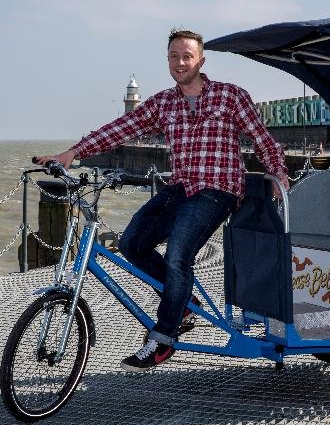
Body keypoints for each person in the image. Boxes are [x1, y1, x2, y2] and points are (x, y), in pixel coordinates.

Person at [35, 29, 289, 372]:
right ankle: (183, 303)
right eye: (173, 56)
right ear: (167, 60)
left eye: (187, 56)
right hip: (181, 187)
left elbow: (264, 139)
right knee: (133, 244)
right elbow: (122, 128)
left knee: (178, 254)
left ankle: (164, 338)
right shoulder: (162, 103)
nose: (180, 62)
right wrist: (73, 152)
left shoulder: (230, 96)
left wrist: (278, 172)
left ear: (201, 60)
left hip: (219, 189)